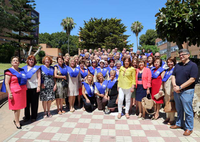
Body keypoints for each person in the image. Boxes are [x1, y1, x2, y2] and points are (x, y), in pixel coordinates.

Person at [171, 49, 198, 136]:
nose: (181, 56)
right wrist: (175, 85)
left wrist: (180, 87)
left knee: (188, 110)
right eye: (180, 55)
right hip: (177, 90)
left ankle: (189, 128)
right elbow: (173, 75)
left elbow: (192, 79)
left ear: (188, 55)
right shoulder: (178, 65)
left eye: (183, 54)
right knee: (179, 109)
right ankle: (179, 124)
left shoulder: (193, 65)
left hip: (187, 91)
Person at [1, 56, 27, 129]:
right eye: (14, 60)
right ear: (11, 62)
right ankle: (17, 122)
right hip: (14, 91)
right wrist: (9, 93)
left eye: (16, 60)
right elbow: (6, 83)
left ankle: (16, 119)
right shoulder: (9, 71)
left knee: (19, 107)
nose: (15, 61)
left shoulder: (21, 70)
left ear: (18, 63)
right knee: (16, 107)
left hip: (21, 91)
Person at [22, 55, 41, 122]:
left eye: (32, 59)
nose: (31, 61)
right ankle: (27, 116)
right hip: (26, 88)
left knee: (34, 103)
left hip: (34, 87)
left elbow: (39, 78)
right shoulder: (24, 68)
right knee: (26, 103)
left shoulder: (37, 68)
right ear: (27, 60)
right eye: (30, 59)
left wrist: (38, 86)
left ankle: (34, 116)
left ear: (34, 61)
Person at [162, 57, 176, 125]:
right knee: (166, 103)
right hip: (166, 90)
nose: (169, 63)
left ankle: (172, 119)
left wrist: (173, 91)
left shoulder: (175, 70)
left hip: (171, 90)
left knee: (171, 104)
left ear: (174, 62)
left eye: (171, 62)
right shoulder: (167, 71)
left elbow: (175, 82)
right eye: (168, 62)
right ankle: (167, 117)